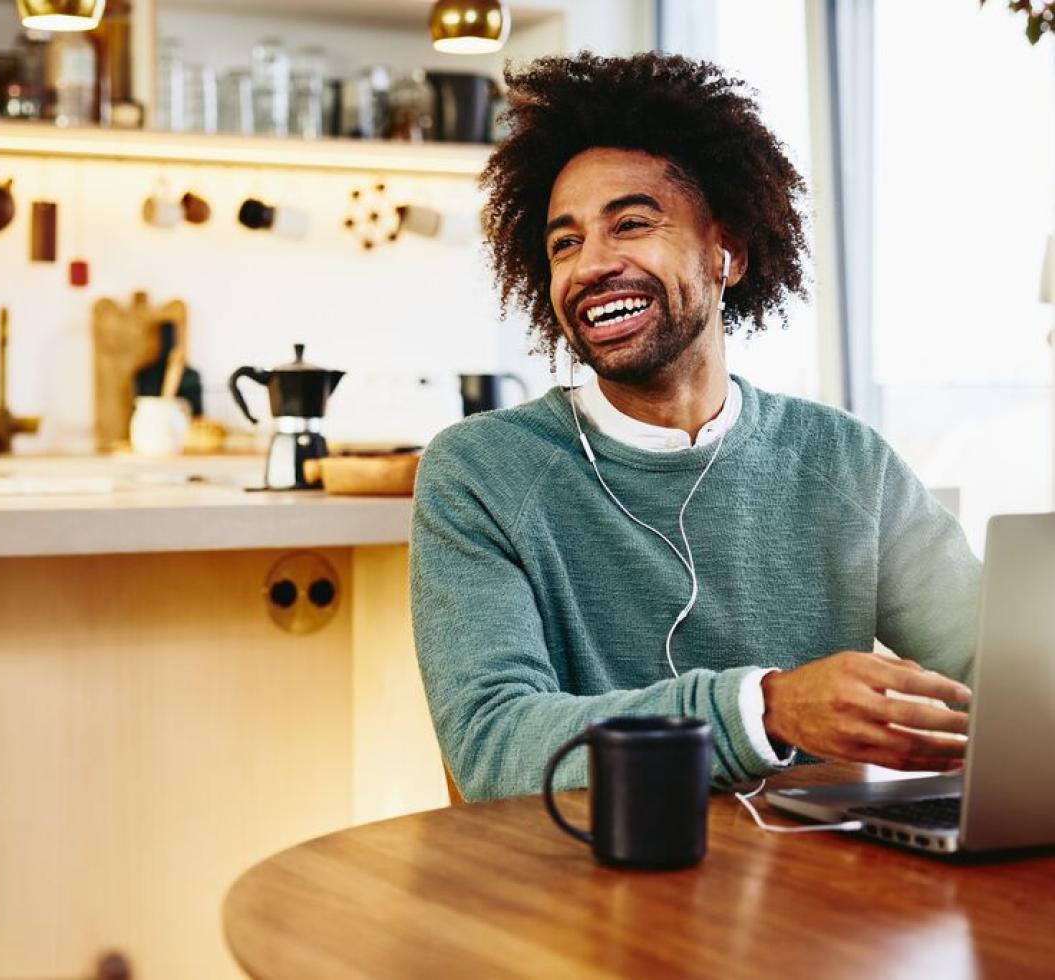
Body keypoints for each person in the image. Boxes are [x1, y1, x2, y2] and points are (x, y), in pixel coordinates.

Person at [410, 52, 979, 803]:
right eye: (564, 243)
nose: (591, 265)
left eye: (631, 225)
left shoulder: (842, 460)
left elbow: (992, 666)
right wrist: (764, 709)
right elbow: (492, 744)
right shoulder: (480, 471)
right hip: (575, 894)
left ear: (727, 253)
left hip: (821, 889)